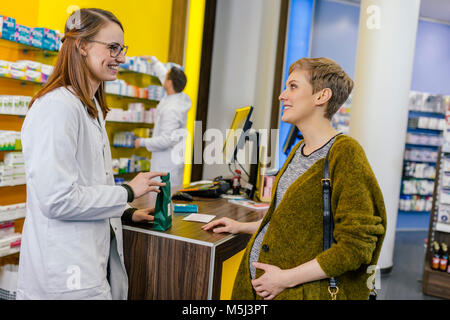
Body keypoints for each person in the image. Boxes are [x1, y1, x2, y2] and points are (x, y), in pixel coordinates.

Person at [202, 57, 387, 300]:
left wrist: (284, 279)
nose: (282, 95)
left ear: (321, 96)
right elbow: (291, 225)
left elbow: (357, 247)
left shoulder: (346, 153)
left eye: (293, 86)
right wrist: (241, 227)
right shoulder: (298, 151)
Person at [17, 8, 166, 300]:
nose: (121, 58)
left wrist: (125, 213)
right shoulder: (57, 108)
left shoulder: (90, 108)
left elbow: (87, 186)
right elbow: (57, 199)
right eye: (112, 47)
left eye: (122, 49)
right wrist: (126, 191)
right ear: (81, 45)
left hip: (85, 266)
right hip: (63, 275)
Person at [134, 56, 192, 188]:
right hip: (169, 162)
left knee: (162, 201)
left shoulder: (171, 109)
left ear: (170, 83)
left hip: (166, 165)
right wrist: (153, 60)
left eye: (166, 77)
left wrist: (142, 142)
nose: (163, 77)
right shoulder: (178, 96)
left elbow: (166, 140)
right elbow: (163, 75)